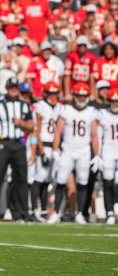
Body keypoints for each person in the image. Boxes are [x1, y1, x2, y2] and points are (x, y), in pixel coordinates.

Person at [0, 77, 34, 222]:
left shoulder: (24, 105)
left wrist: (21, 123)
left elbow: (31, 127)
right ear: (6, 87)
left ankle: (24, 213)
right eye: (11, 86)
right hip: (2, 143)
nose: (13, 89)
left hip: (18, 144)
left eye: (15, 87)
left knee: (21, 180)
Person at [48, 83, 99, 225]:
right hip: (68, 150)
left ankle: (80, 213)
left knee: (83, 183)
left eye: (84, 96)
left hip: (84, 151)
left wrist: (96, 155)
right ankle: (56, 212)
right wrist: (55, 149)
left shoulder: (91, 112)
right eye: (79, 96)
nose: (82, 99)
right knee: (61, 181)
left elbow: (94, 135)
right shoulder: (67, 110)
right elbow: (58, 131)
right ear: (75, 96)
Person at [31, 82, 62, 221]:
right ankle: (33, 209)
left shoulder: (60, 108)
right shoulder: (40, 107)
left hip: (54, 148)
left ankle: (43, 210)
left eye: (55, 93)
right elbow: (36, 131)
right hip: (43, 145)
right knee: (38, 179)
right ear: (45, 94)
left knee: (47, 180)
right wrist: (41, 151)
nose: (53, 96)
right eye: (50, 93)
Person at [94, 88, 118, 225]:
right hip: (108, 151)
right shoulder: (103, 114)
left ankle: (115, 207)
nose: (116, 104)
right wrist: (98, 155)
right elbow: (98, 135)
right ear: (108, 101)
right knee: (108, 182)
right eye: (113, 101)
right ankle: (109, 212)